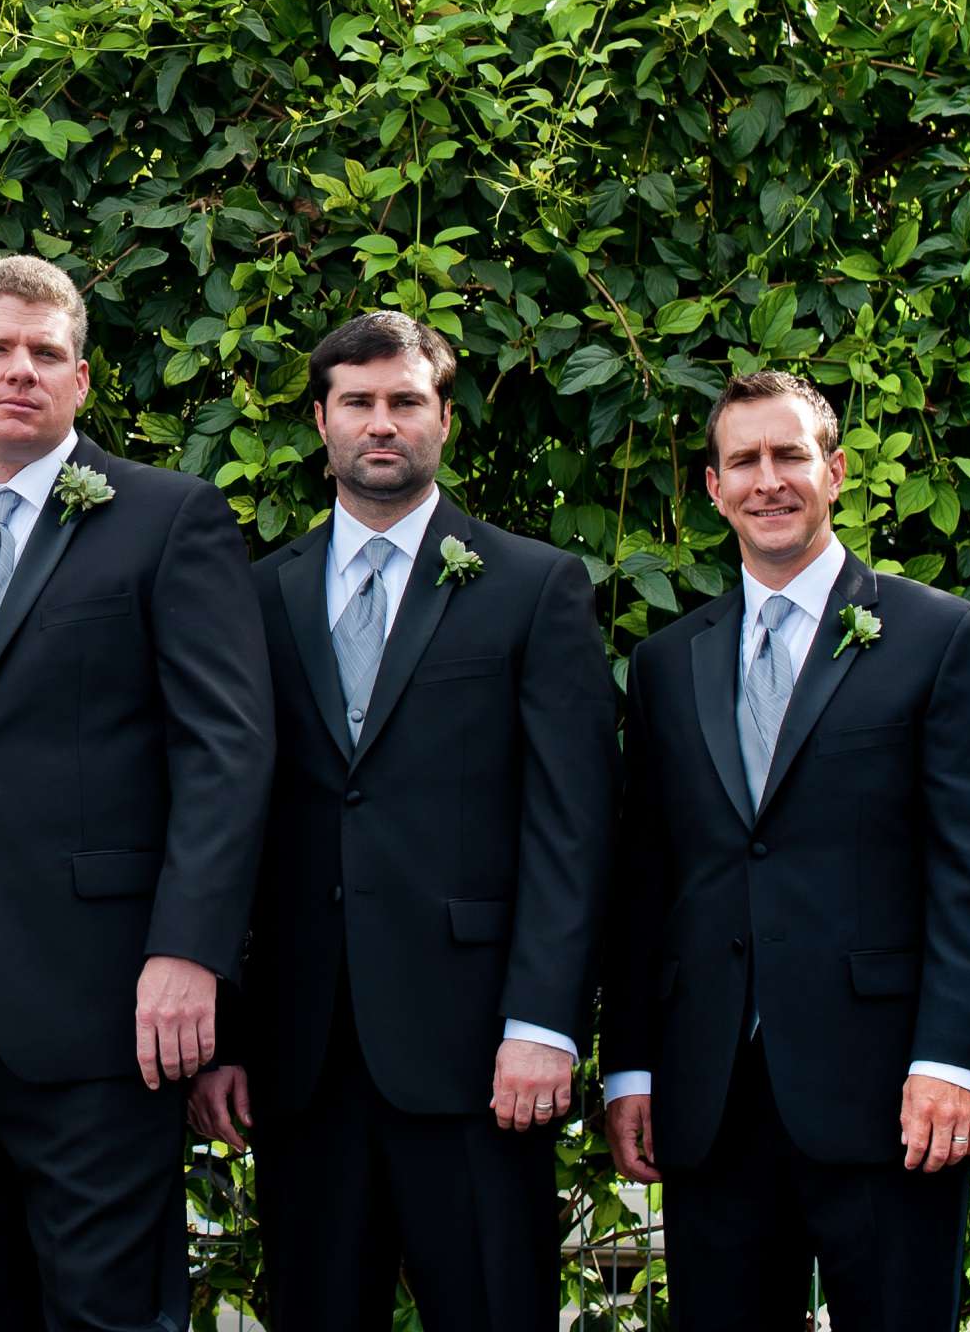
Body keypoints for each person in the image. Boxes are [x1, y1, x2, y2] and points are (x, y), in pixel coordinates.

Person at [0, 254, 272, 1331]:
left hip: (104, 1006)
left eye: (48, 354)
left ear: (82, 384)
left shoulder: (168, 520)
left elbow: (226, 750)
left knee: (110, 1312)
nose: (22, 371)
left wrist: (188, 952)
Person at [189, 310, 618, 1329]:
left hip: (479, 1053)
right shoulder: (254, 596)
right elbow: (232, 820)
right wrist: (231, 1033)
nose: (384, 424)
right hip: (305, 1056)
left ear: (443, 420)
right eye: (360, 403)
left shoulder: (532, 584)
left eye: (406, 402)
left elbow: (573, 823)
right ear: (321, 420)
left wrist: (543, 1022)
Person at [600, 369, 970, 1329]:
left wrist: (953, 1061)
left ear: (833, 472)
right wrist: (629, 1067)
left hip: (887, 1094)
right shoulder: (667, 663)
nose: (767, 479)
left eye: (789, 455)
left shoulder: (939, 637)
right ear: (713, 489)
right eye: (743, 460)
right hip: (711, 1096)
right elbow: (647, 877)